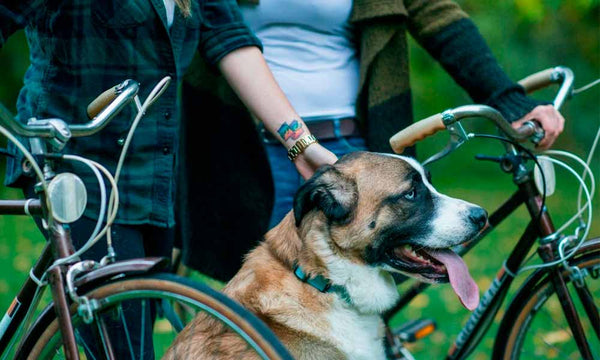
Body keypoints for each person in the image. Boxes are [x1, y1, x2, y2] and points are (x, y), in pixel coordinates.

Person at [0, 0, 335, 357]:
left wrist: (300, 143)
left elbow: (228, 37)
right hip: (77, 173)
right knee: (125, 349)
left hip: (153, 177)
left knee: (136, 337)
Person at [176, 0, 565, 280]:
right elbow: (214, 31)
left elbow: (436, 12)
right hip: (251, 147)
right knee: (269, 304)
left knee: (364, 297)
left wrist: (503, 95)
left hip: (359, 146)